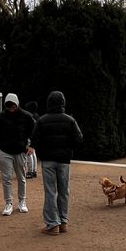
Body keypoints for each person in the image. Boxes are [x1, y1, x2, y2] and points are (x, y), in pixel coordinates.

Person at [31, 91, 83, 235]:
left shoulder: (42, 120)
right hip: (64, 160)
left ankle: (53, 224)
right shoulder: (70, 120)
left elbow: (34, 140)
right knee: (64, 191)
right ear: (63, 103)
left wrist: (42, 151)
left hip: (48, 160)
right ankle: (63, 222)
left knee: (50, 192)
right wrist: (68, 149)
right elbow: (79, 139)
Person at [0, 93, 36, 216]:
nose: (11, 108)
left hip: (21, 151)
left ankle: (22, 201)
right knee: (6, 179)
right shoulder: (0, 117)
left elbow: (35, 130)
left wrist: (31, 145)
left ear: (17, 104)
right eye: (8, 106)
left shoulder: (27, 116)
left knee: (21, 178)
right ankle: (8, 203)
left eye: (13, 105)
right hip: (5, 151)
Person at [24, 101, 40, 179]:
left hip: (29, 137)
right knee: (33, 154)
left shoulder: (30, 116)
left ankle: (30, 171)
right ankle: (34, 171)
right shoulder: (36, 116)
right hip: (34, 137)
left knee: (29, 154)